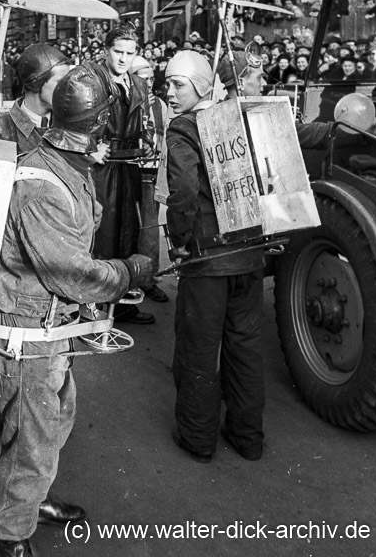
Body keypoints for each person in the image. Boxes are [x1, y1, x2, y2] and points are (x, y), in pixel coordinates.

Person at [0, 64, 154, 557]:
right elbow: (68, 271)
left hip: (53, 320)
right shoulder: (42, 182)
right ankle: (12, 534)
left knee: (52, 421)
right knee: (31, 435)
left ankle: (33, 499)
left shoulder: (68, 160)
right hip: (29, 322)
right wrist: (127, 273)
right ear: (97, 124)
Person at [165, 49, 266, 463]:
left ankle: (198, 438)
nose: (168, 91)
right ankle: (248, 437)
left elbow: (184, 194)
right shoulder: (240, 116)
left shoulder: (183, 127)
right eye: (167, 82)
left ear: (202, 86)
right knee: (245, 345)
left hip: (206, 258)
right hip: (250, 251)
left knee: (200, 348)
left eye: (178, 84)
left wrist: (178, 240)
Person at [0, 43, 73, 438]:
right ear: (35, 84)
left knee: (41, 369)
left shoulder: (66, 127)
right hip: (9, 274)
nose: (70, 88)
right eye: (60, 80)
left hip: (51, 267)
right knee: (1, 358)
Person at [91, 27, 156, 325]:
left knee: (128, 234)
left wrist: (148, 140)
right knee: (100, 233)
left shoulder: (140, 85)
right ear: (106, 49)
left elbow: (148, 120)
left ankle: (124, 306)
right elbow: (74, 120)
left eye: (130, 53)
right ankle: (92, 307)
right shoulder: (92, 80)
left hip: (130, 167)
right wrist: (90, 147)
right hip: (101, 169)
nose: (124, 58)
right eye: (119, 51)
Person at [129, 55, 169, 303]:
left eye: (152, 79)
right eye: (144, 79)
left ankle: (149, 279)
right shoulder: (125, 104)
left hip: (152, 174)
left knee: (150, 232)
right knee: (129, 231)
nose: (150, 84)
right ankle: (129, 281)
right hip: (129, 174)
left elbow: (164, 136)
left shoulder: (160, 106)